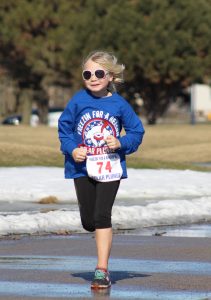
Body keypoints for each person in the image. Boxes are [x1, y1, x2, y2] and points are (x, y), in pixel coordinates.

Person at [58, 50, 145, 289]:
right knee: (88, 221)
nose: (93, 77)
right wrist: (72, 149)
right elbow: (64, 130)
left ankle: (102, 270)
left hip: (110, 167)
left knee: (101, 216)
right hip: (81, 168)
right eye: (87, 73)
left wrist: (121, 143)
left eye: (99, 73)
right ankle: (95, 233)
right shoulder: (77, 100)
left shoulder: (119, 104)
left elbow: (137, 132)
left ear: (111, 77)